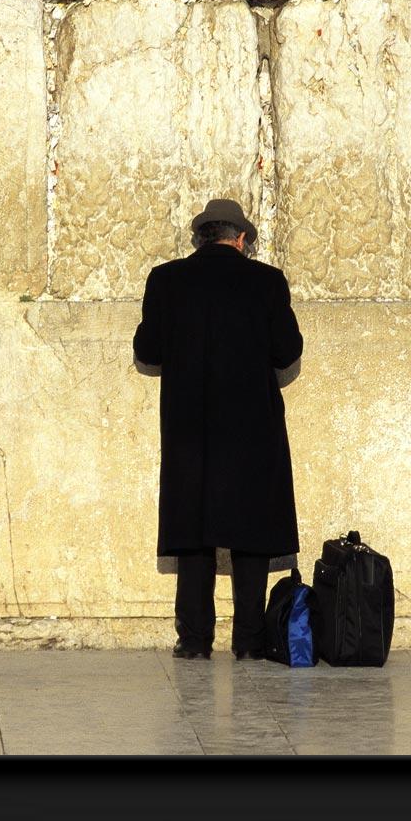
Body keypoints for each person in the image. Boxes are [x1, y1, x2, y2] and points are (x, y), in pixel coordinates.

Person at [133, 198, 303, 661]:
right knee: (250, 534)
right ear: (241, 238)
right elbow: (287, 351)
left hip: (190, 426)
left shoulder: (166, 280)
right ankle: (248, 641)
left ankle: (193, 641)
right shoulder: (266, 282)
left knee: (194, 530)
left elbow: (147, 350)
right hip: (252, 428)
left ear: (201, 237)